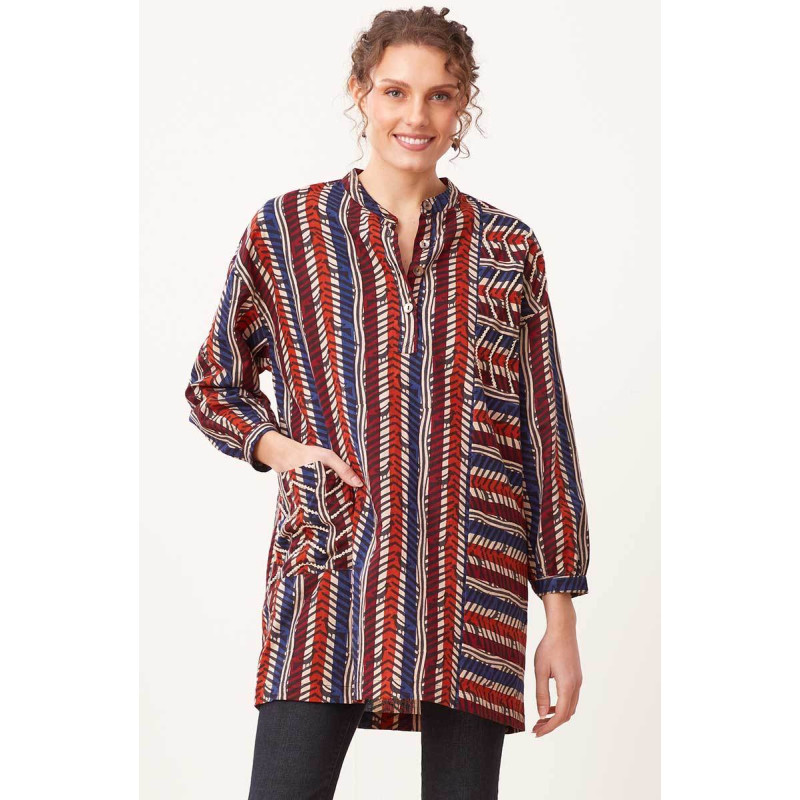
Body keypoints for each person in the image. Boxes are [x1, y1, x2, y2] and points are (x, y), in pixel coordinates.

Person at [184, 7, 591, 799]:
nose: (416, 116)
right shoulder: (288, 232)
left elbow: (545, 435)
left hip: (472, 584)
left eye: (440, 95)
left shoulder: (508, 248)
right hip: (329, 567)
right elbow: (213, 385)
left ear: (462, 104)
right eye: (395, 91)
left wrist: (562, 617)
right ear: (360, 92)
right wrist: (285, 450)